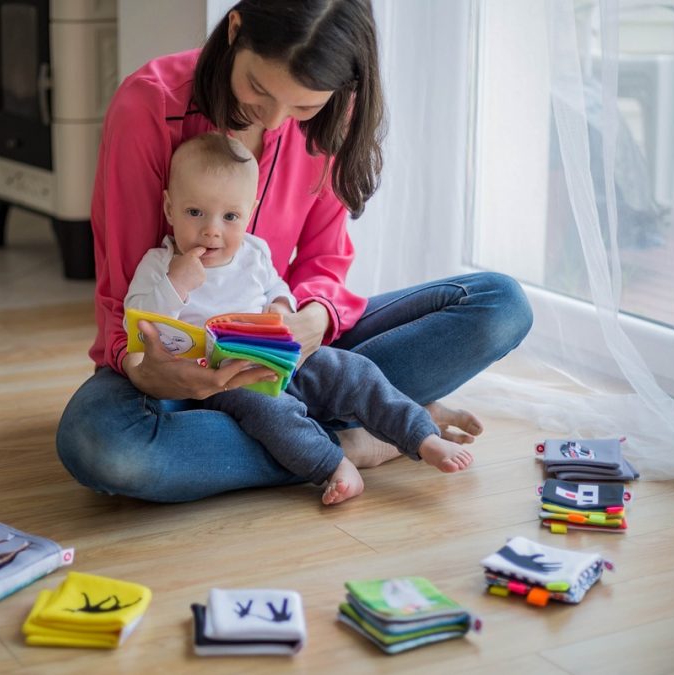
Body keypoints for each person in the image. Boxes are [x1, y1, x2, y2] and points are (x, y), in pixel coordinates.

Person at [56, 0, 533, 503]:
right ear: (235, 30)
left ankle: (324, 430)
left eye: (304, 106)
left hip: (290, 356)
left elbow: (325, 261)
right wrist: (142, 368)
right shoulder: (148, 106)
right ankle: (355, 437)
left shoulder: (334, 115)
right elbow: (124, 290)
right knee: (102, 446)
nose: (277, 117)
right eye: (260, 88)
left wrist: (310, 319)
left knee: (500, 304)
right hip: (181, 376)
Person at [126, 132, 474, 505]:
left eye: (230, 216)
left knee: (352, 370)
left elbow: (278, 285)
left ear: (250, 211)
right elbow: (140, 323)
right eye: (195, 213)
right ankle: (332, 463)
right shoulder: (159, 264)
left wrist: (281, 307)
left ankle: (422, 435)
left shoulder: (254, 252)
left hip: (278, 356)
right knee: (272, 412)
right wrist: (176, 284)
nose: (212, 229)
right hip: (225, 380)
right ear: (169, 208)